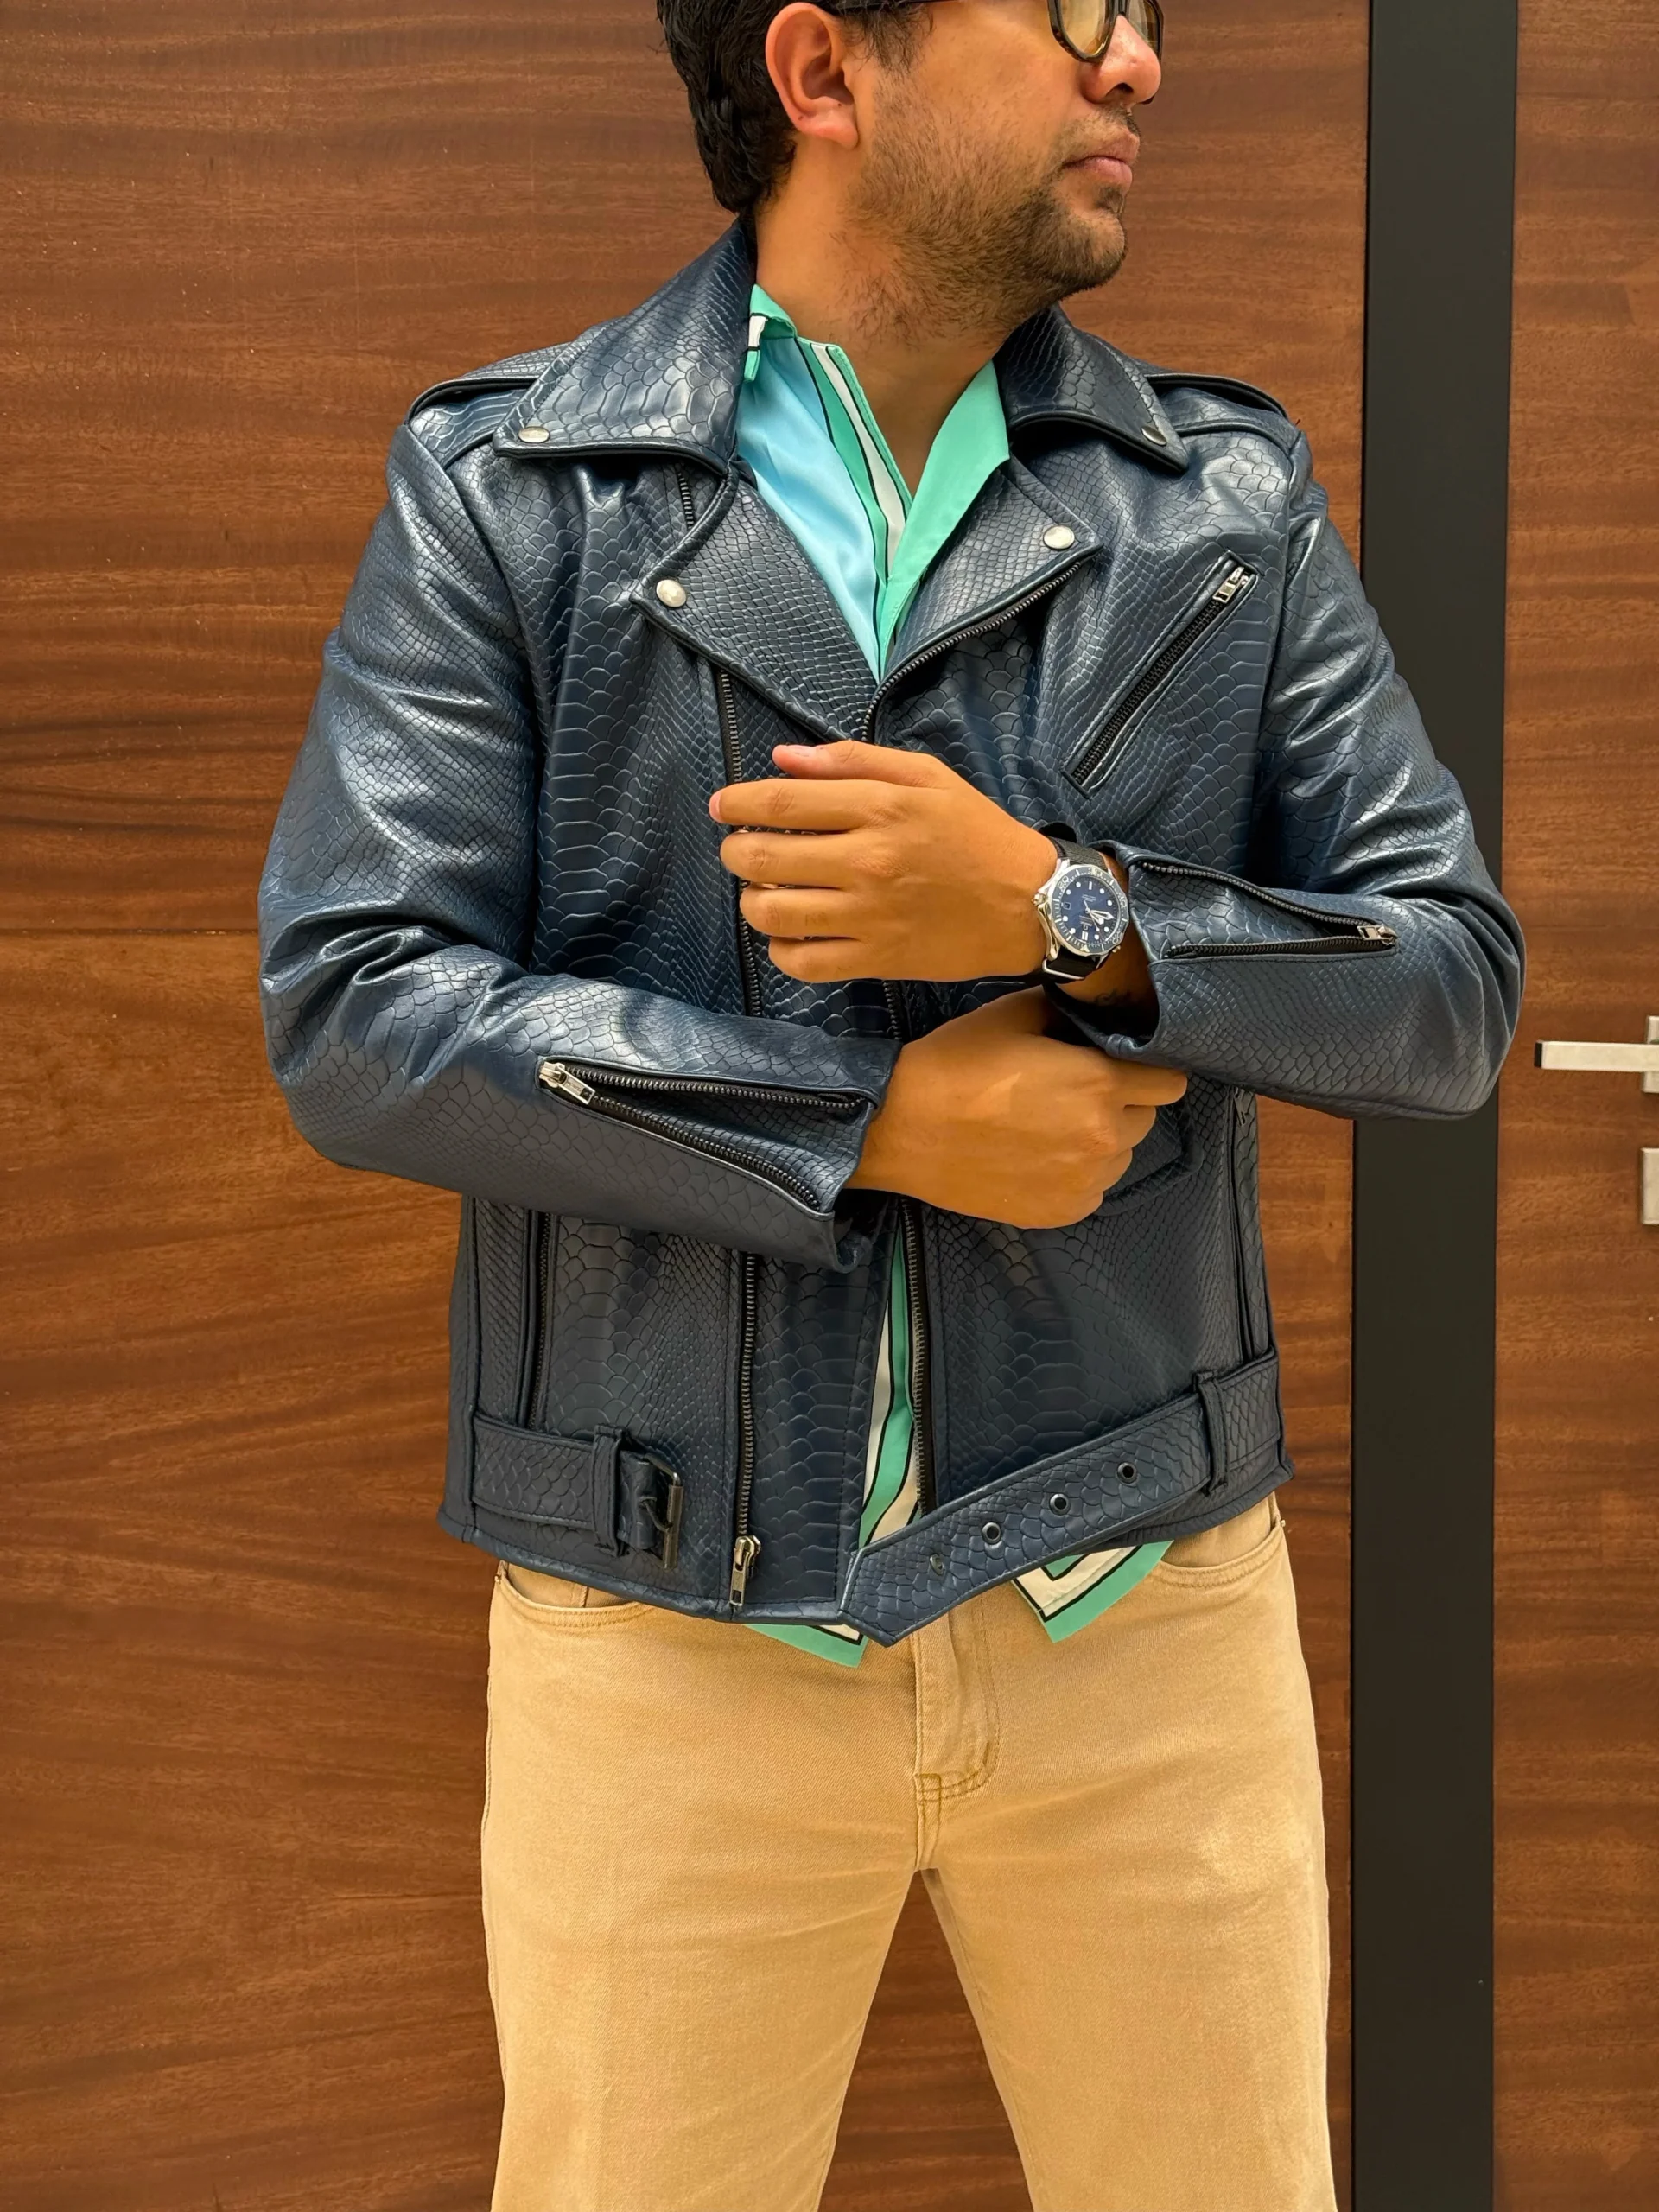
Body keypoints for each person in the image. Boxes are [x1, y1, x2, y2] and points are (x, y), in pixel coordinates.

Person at [258, 2, 1523, 2205]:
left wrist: (1057, 905)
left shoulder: (1224, 499)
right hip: (667, 1627)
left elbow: (1448, 987)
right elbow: (358, 1003)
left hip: (1142, 1611)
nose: (1139, 63)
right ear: (826, 72)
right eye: (1075, 9)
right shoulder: (516, 488)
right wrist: (868, 1123)